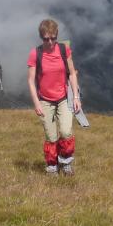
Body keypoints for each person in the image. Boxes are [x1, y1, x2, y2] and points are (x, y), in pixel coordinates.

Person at [27, 19, 80, 176]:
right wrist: (36, 103)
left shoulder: (64, 50)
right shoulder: (35, 54)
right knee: (51, 136)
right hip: (45, 100)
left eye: (53, 38)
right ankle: (52, 166)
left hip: (64, 98)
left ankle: (66, 162)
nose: (50, 42)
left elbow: (71, 73)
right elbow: (30, 80)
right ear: (41, 37)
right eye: (46, 39)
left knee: (66, 132)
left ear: (57, 36)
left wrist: (76, 97)